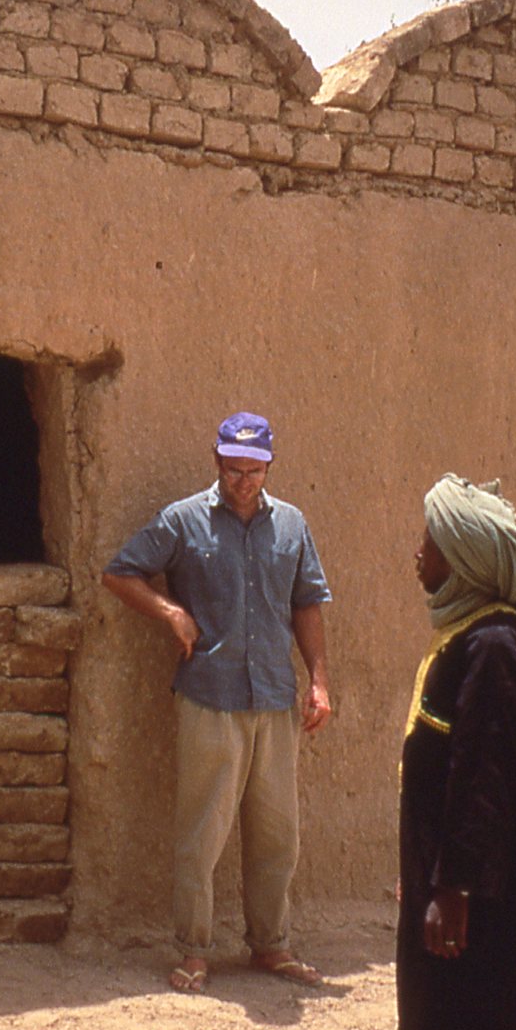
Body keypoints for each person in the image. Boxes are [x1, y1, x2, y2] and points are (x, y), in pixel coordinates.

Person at [100, 411, 333, 993]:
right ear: (216, 460)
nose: (243, 482)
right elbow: (120, 573)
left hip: (274, 699)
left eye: (254, 471)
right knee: (202, 831)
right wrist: (170, 611)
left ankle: (272, 945)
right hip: (210, 697)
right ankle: (194, 950)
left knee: (278, 832)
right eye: (233, 470)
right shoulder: (183, 521)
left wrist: (319, 682)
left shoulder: (292, 525)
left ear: (269, 466)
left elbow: (307, 603)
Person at [397, 474, 516, 1030]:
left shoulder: (493, 646)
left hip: (477, 899)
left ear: (463, 562)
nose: (417, 553)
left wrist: (454, 889)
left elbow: (482, 779)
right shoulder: (465, 636)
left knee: (473, 1021)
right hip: (448, 876)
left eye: (430, 543)